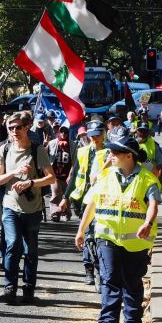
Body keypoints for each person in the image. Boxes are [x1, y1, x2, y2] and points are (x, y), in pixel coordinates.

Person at [76, 136, 161, 323]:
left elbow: (153, 204)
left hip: (136, 241)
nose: (110, 156)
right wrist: (81, 230)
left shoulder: (148, 179)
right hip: (107, 237)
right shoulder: (105, 177)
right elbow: (92, 205)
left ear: (129, 156)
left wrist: (147, 224)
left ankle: (132, 321)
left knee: (131, 282)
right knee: (110, 278)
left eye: (115, 153)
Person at [0, 112, 56, 304]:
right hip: (10, 206)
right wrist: (13, 172)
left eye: (18, 127)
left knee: (31, 250)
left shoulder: (37, 150)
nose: (14, 131)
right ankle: (9, 286)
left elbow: (51, 178)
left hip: (33, 208)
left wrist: (30, 183)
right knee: (12, 244)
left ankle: (28, 288)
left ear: (27, 127)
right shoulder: (3, 150)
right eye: (10, 128)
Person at [61, 119, 109, 287]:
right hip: (83, 201)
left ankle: (100, 268)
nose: (94, 139)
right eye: (92, 136)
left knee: (99, 236)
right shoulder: (82, 152)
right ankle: (89, 269)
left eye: (97, 136)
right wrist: (65, 197)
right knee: (88, 235)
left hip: (104, 201)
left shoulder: (111, 152)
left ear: (104, 135)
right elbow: (75, 177)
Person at [47, 125, 73, 222]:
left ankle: (66, 213)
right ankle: (55, 213)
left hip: (67, 173)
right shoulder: (52, 143)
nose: (63, 134)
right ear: (58, 132)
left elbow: (74, 160)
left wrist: (71, 174)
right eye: (61, 132)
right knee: (56, 193)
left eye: (65, 132)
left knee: (67, 195)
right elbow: (45, 153)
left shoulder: (72, 145)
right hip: (55, 173)